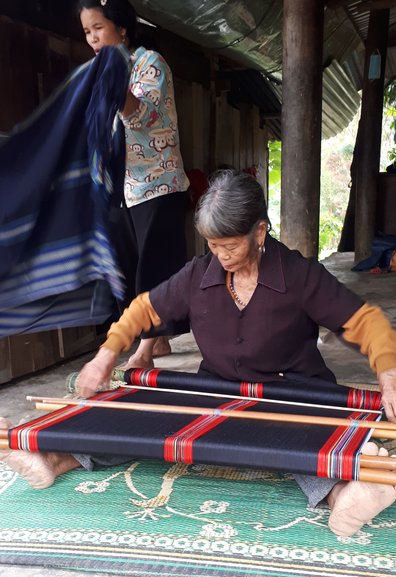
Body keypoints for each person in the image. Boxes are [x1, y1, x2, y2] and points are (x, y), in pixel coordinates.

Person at [2, 170, 396, 537]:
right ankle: (53, 460)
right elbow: (144, 309)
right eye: (213, 245)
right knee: (138, 416)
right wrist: (105, 356)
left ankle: (345, 496)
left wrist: (388, 372)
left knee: (304, 438)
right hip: (216, 390)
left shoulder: (300, 275)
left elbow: (363, 321)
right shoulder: (198, 274)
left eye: (231, 245)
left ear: (259, 231)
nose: (221, 256)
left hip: (291, 390)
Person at [78, 0, 190, 368]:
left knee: (154, 271)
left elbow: (141, 116)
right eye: (87, 32)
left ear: (121, 29)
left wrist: (113, 84)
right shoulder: (102, 69)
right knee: (129, 268)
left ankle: (145, 350)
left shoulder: (149, 63)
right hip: (124, 190)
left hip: (158, 184)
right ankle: (158, 341)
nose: (93, 38)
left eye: (99, 28)